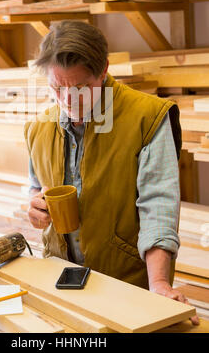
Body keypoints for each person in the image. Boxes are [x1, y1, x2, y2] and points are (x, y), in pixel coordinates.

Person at [24, 20, 199, 324]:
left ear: (103, 71)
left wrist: (158, 284)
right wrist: (34, 203)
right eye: (57, 88)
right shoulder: (39, 128)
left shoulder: (147, 119)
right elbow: (35, 185)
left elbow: (158, 206)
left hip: (128, 287)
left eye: (80, 88)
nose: (68, 101)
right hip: (61, 281)